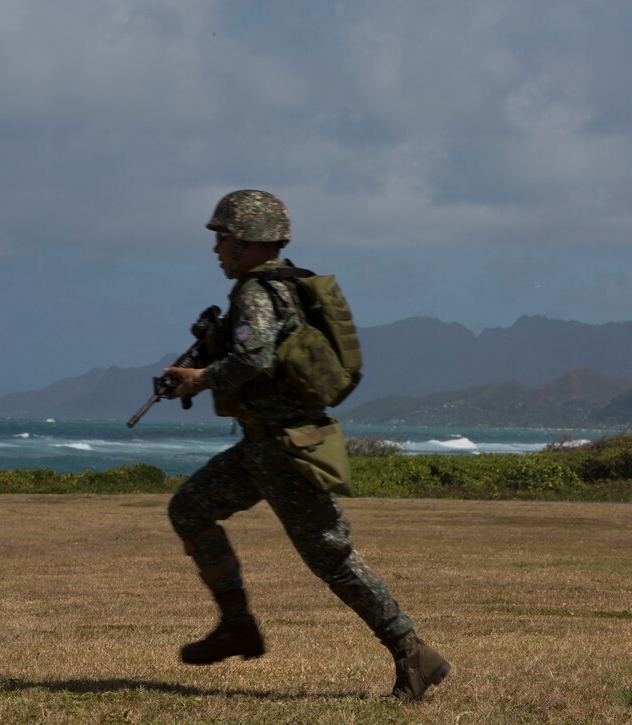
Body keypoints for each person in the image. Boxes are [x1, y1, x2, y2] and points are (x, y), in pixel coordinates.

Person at [162, 189, 449, 701]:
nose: (216, 249)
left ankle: (412, 652)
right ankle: (237, 625)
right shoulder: (285, 285)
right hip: (263, 448)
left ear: (249, 240)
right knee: (189, 509)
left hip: (282, 451)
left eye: (222, 237)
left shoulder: (255, 291)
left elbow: (255, 361)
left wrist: (199, 378)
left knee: (332, 557)